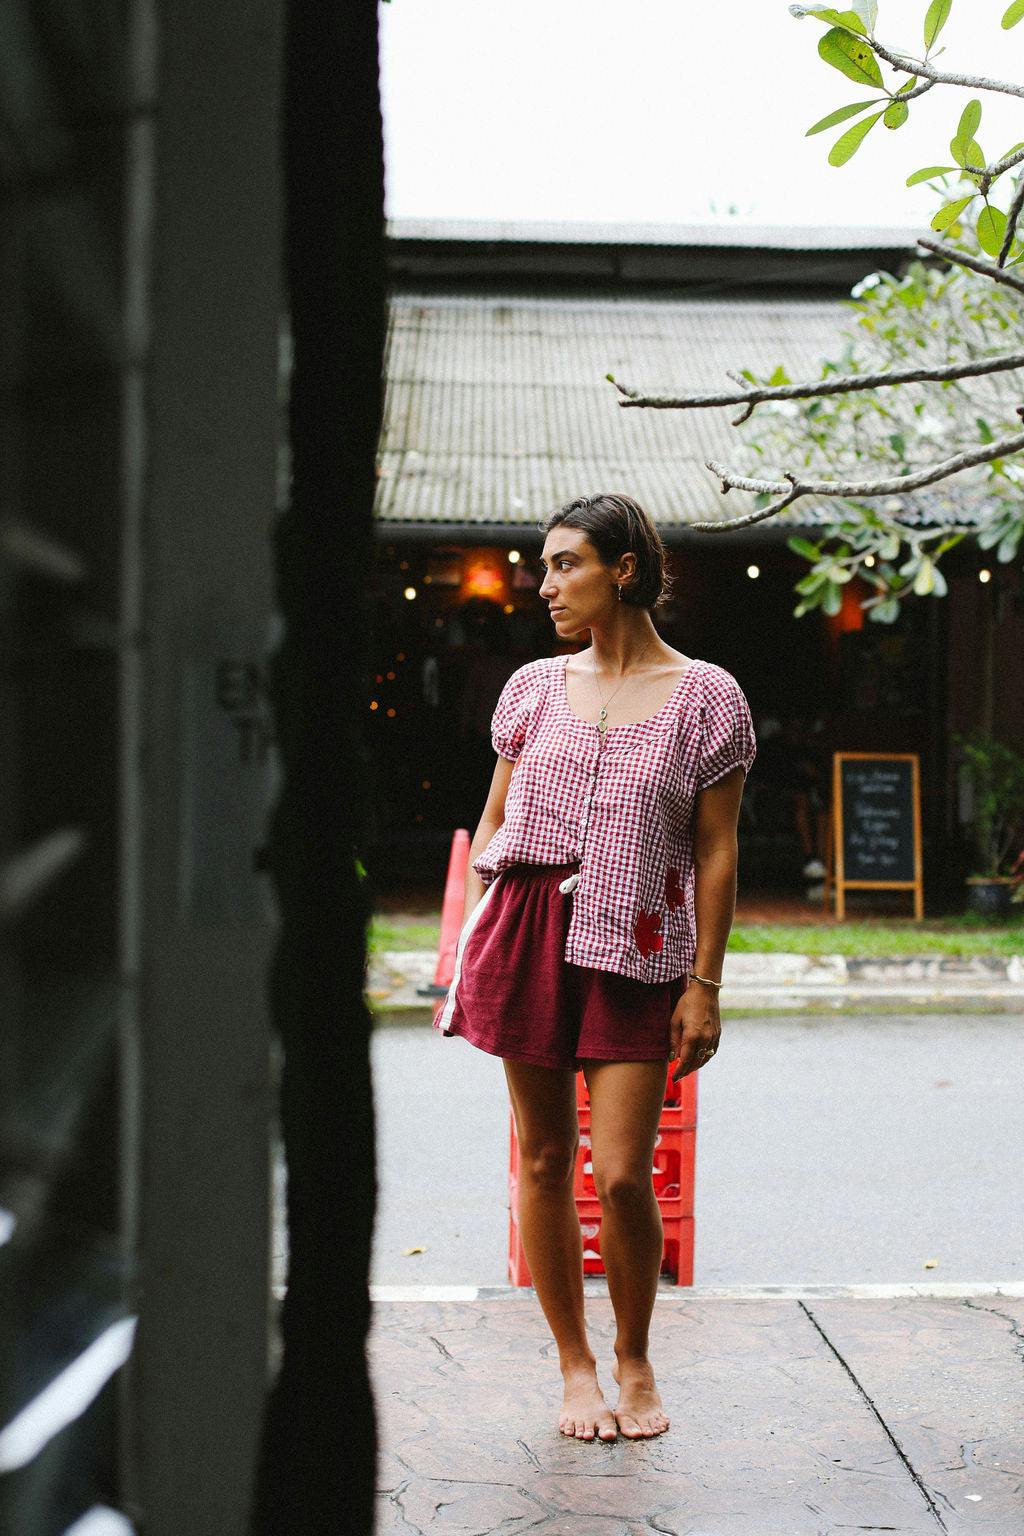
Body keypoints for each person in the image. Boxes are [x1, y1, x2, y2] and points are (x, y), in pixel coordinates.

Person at [432, 493, 756, 1444]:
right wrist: (485, 921)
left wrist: (706, 984)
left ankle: (634, 1356)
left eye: (565, 564)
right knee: (542, 1159)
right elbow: (494, 817)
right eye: (544, 566)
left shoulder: (707, 697)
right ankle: (575, 1366)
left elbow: (717, 852)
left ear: (625, 570)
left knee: (619, 1174)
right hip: (527, 932)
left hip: (640, 947)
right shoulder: (532, 689)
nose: (545, 585)